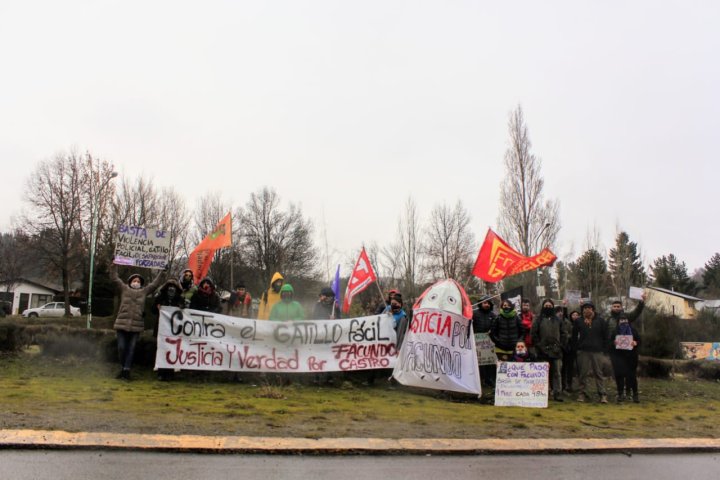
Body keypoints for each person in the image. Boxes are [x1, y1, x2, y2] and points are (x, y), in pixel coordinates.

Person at [109, 265, 165, 380]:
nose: (136, 282)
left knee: (131, 348)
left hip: (136, 326)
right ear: (130, 282)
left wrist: (162, 272)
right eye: (134, 280)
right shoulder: (124, 289)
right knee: (121, 348)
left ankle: (126, 370)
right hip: (122, 324)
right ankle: (123, 367)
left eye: (138, 281)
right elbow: (115, 278)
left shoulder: (144, 292)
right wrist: (114, 265)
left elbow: (154, 284)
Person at [531, 299, 569, 401]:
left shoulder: (558, 320)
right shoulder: (538, 319)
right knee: (543, 373)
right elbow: (533, 334)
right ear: (543, 307)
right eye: (546, 305)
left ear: (552, 307)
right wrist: (539, 346)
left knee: (557, 372)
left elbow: (564, 334)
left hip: (556, 350)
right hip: (542, 350)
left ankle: (557, 393)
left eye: (550, 305)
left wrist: (560, 346)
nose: (548, 307)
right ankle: (544, 393)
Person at [573, 301, 609, 403]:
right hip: (583, 351)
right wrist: (576, 349)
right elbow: (574, 336)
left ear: (593, 309)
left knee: (598, 373)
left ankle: (602, 395)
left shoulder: (601, 321)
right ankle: (582, 394)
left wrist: (604, 349)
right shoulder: (578, 321)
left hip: (597, 351)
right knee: (583, 374)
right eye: (584, 308)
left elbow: (606, 336)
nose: (586, 310)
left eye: (589, 308)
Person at [152, 278, 184, 381]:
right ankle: (161, 372)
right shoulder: (160, 297)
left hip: (174, 329)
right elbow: (152, 310)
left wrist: (182, 306)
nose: (171, 288)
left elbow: (184, 311)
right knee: (162, 349)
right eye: (169, 286)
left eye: (173, 286)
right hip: (161, 328)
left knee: (172, 349)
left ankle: (170, 373)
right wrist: (157, 308)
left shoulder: (179, 299)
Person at [609, 313, 641, 403]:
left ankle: (635, 394)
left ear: (628, 321)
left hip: (631, 357)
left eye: (625, 320)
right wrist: (613, 343)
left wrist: (636, 343)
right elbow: (609, 343)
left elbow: (639, 341)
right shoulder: (615, 331)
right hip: (618, 358)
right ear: (618, 322)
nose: (623, 322)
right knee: (619, 376)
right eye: (621, 320)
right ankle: (620, 394)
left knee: (632, 376)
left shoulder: (633, 331)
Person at [472, 295, 497, 388]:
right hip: (477, 342)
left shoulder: (493, 315)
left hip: (489, 343)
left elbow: (496, 327)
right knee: (479, 363)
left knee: (490, 362)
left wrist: (492, 331)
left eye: (488, 303)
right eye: (485, 303)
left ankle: (490, 380)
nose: (486, 305)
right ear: (481, 304)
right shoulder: (474, 313)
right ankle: (480, 380)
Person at [561, 309, 580, 394]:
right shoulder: (568, 323)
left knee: (575, 368)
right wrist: (564, 307)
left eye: (577, 315)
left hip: (578, 348)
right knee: (566, 367)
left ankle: (575, 385)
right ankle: (566, 385)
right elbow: (564, 317)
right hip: (568, 348)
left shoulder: (580, 324)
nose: (575, 316)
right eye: (573, 315)